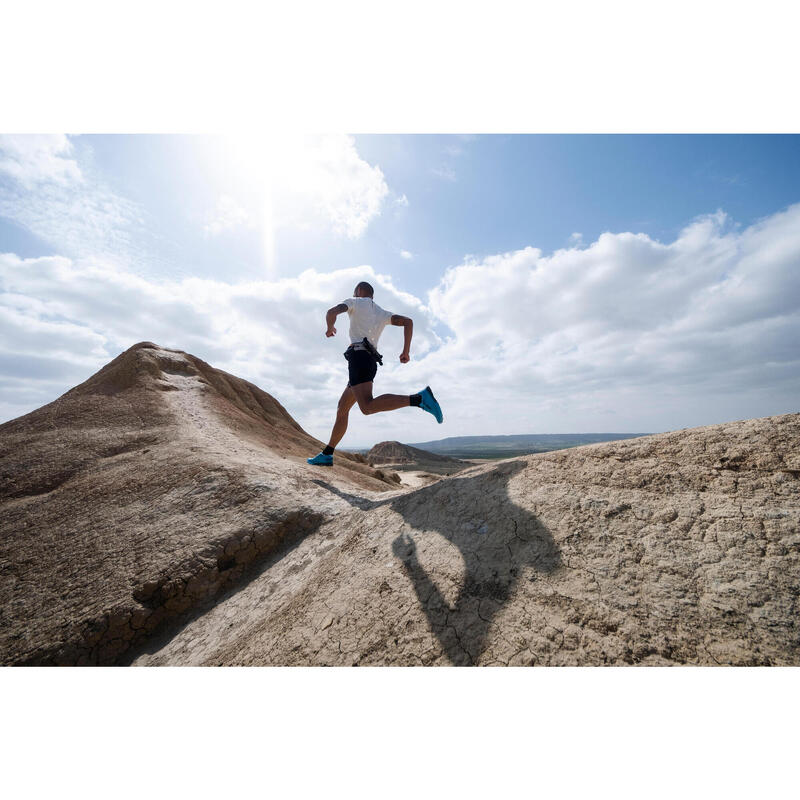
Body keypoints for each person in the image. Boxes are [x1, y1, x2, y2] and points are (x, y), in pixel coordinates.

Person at [307, 280, 443, 467]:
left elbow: (331, 312)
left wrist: (330, 328)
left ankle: (420, 399)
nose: (354, 295)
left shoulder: (354, 302)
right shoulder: (381, 313)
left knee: (367, 407)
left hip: (359, 358)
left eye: (355, 292)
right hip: (368, 360)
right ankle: (327, 454)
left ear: (360, 291)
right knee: (342, 408)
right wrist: (406, 351)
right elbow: (408, 322)